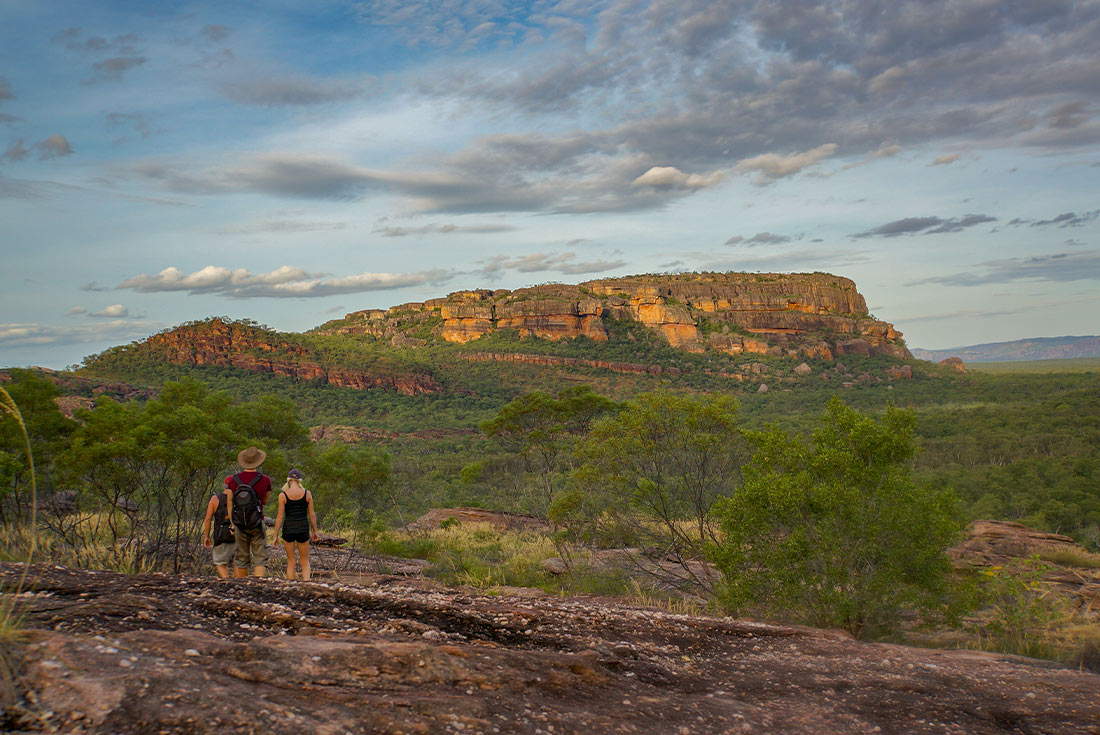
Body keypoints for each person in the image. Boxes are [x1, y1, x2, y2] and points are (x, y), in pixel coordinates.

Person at [224, 446, 273, 578]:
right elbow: (265, 501)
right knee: (260, 558)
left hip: (240, 523)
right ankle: (258, 585)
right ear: (258, 461)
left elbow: (230, 502)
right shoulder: (265, 480)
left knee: (241, 559)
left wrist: (233, 522)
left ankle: (243, 588)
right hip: (257, 521)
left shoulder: (234, 480)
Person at [270, 468, 320, 580]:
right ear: (299, 480)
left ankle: (291, 588)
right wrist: (315, 531)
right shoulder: (307, 494)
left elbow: (280, 517)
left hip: (288, 529)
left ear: (288, 480)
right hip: (303, 529)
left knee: (291, 561)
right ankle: (307, 586)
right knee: (305, 561)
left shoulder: (283, 495)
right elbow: (312, 514)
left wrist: (275, 535)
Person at [201, 490, 235, 578]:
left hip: (221, 537)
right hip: (238, 535)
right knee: (239, 564)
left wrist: (206, 536)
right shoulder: (240, 499)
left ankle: (227, 581)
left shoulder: (215, 499)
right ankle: (238, 583)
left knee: (220, 562)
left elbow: (208, 519)